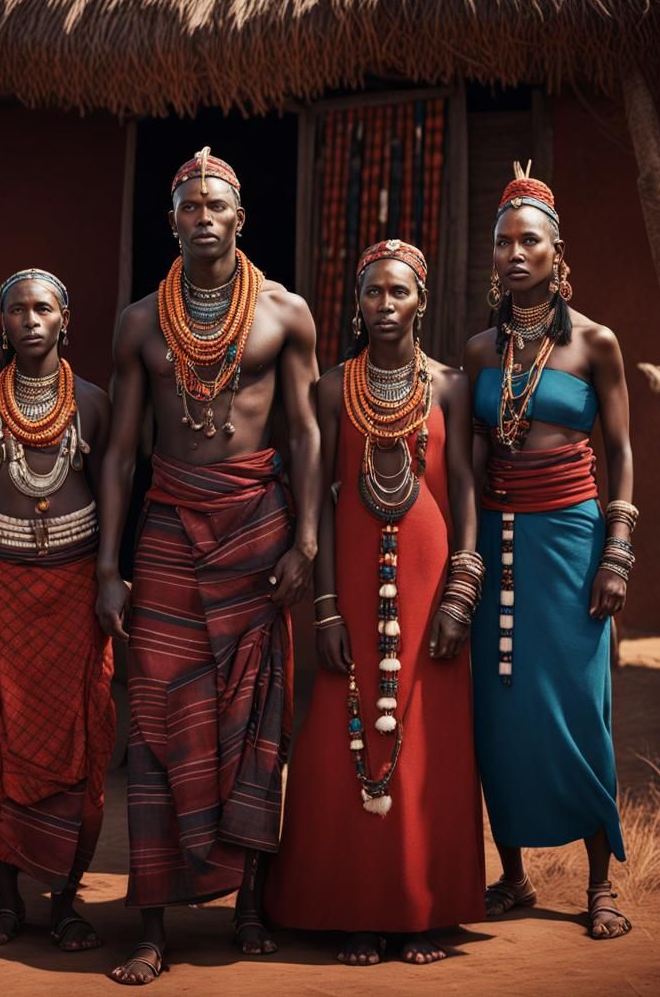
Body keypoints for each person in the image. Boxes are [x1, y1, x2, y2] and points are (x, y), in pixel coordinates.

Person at [97, 147, 321, 984]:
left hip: (257, 531)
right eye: (188, 206)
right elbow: (122, 454)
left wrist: (304, 541)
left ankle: (249, 904)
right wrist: (109, 570)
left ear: (239, 218)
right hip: (165, 534)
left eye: (215, 205)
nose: (202, 217)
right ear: (171, 222)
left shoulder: (284, 314)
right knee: (157, 717)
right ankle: (151, 920)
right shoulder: (138, 323)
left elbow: (302, 432)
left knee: (254, 722)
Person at [264, 240, 486, 966]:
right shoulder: (333, 387)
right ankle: (356, 909)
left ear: (421, 299)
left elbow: (462, 490)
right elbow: (321, 501)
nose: (384, 306)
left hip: (429, 577)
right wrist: (325, 607)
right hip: (352, 576)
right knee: (344, 722)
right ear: (356, 304)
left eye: (397, 293)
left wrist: (462, 587)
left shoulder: (451, 384)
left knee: (427, 732)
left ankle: (418, 909)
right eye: (371, 294)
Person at [464, 162, 635, 941]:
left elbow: (622, 452)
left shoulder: (596, 343)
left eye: (529, 240)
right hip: (499, 544)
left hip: (573, 541)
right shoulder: (477, 350)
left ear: (555, 252)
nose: (514, 253)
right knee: (500, 709)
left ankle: (600, 885)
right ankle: (515, 876)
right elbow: (467, 464)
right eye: (503, 242)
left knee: (576, 709)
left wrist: (618, 551)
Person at [0, 268, 114, 949]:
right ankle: (9, 899)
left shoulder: (94, 404)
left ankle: (67, 902)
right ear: (2, 323)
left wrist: (110, 582)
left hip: (74, 593)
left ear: (65, 318)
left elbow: (113, 502)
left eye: (44, 308)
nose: (31, 320)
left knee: (86, 739)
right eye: (18, 310)